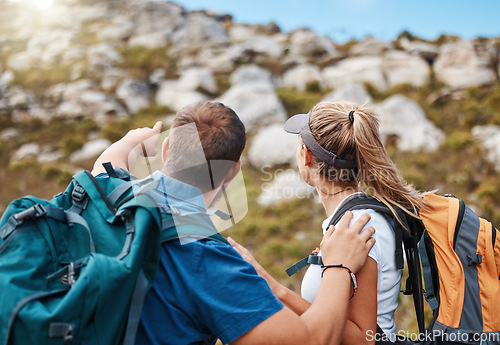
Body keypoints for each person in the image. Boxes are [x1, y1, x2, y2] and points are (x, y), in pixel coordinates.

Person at [91, 101, 376, 345]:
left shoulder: (107, 191)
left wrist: (133, 141)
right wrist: (340, 267)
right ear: (232, 172)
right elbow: (311, 340)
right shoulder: (209, 261)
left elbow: (109, 160)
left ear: (167, 150)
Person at [230, 101, 429, 345]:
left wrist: (274, 289)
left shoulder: (357, 226)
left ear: (307, 156)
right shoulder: (352, 218)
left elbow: (362, 339)